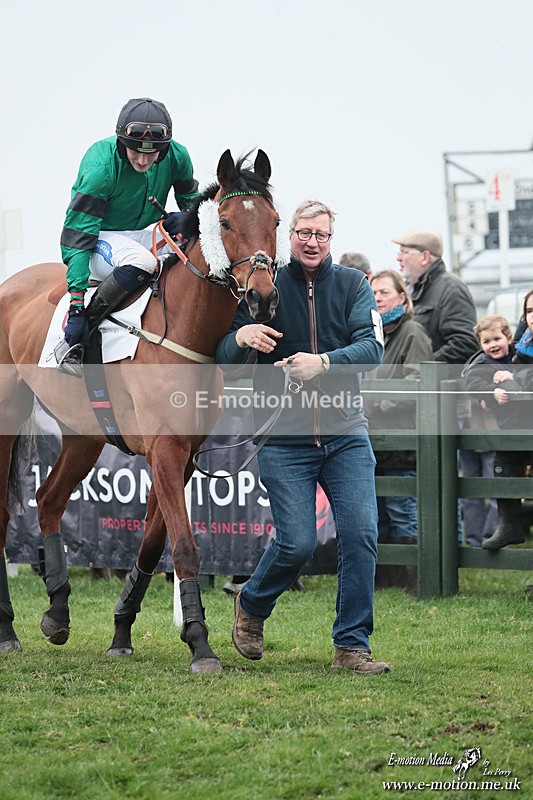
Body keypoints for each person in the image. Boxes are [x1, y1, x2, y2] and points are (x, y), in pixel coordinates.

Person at [216, 199, 390, 675]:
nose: (312, 242)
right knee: (296, 544)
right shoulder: (264, 285)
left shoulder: (354, 284)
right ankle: (251, 605)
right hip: (283, 437)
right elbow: (223, 355)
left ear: (331, 240)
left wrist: (325, 362)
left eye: (322, 234)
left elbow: (373, 347)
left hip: (346, 434)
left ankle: (352, 645)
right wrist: (243, 336)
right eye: (304, 233)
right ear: (287, 235)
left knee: (361, 534)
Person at [55, 97, 200, 376]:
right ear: (122, 142)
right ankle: (83, 329)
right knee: (142, 262)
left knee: (191, 254)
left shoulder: (178, 156)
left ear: (165, 148)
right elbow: (77, 237)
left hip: (142, 234)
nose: (144, 160)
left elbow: (192, 202)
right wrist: (75, 302)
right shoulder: (101, 169)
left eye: (152, 154)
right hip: (97, 237)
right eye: (135, 151)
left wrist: (190, 217)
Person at [393, 228, 479, 544]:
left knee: (441, 486)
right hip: (422, 406)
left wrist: (423, 365)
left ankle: (450, 554)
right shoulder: (419, 290)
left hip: (442, 404)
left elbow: (466, 341)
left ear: (425, 257)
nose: (398, 258)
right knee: (423, 487)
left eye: (404, 251)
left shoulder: (449, 289)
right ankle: (430, 556)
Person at [367, 270, 433, 591]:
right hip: (374, 443)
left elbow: (417, 383)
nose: (377, 298)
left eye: (384, 292)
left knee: (402, 513)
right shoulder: (372, 336)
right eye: (373, 293)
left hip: (403, 444)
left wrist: (380, 402)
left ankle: (414, 584)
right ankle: (384, 584)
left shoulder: (412, 333)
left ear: (402, 298)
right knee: (378, 515)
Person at [462, 302, 533, 550]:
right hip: (509, 427)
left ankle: (517, 520)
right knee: (502, 467)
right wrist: (492, 392)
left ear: (509, 337)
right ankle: (508, 523)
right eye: (486, 341)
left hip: (526, 424)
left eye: (497, 339)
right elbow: (472, 382)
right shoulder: (482, 363)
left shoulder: (519, 354)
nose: (492, 345)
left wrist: (514, 378)